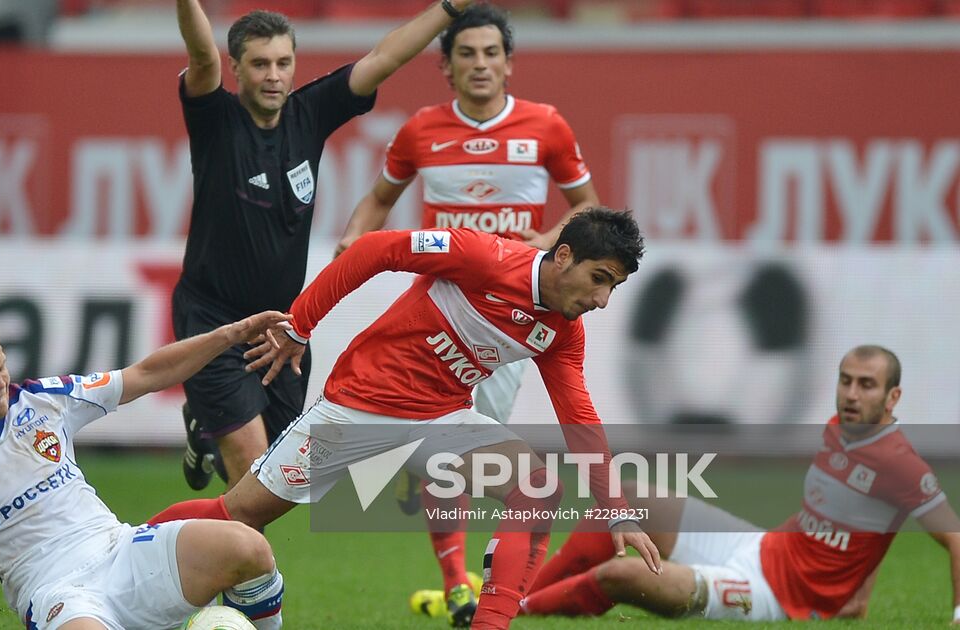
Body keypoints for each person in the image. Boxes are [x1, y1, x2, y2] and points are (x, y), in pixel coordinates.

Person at [147, 208, 663, 630]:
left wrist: (615, 508)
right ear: (564, 256)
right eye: (599, 279)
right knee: (240, 515)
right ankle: (123, 545)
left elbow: (579, 415)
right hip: (357, 409)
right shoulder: (483, 256)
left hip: (442, 420)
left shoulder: (562, 331)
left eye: (612, 288)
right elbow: (375, 249)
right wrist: (300, 325)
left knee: (536, 487)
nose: (601, 300)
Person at [332, 6, 600, 620]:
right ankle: (460, 582)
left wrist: (548, 240)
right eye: (467, 54)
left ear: (508, 63)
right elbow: (378, 201)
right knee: (447, 440)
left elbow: (589, 209)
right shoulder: (420, 130)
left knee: (456, 451)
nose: (480, 64)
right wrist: (352, 241)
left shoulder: (547, 127)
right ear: (446, 68)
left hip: (509, 318)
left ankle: (480, 576)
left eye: (491, 53)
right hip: (437, 307)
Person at [172, 0, 485, 494]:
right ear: (236, 69)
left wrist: (449, 8)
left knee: (283, 480)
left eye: (283, 62)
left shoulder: (309, 113)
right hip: (214, 322)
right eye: (259, 64)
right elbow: (202, 55)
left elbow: (385, 56)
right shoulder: (216, 120)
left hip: (281, 325)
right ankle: (244, 572)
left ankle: (204, 428)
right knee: (253, 475)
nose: (273, 75)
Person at [0, 311, 293, 630]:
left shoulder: (45, 400)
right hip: (58, 593)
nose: (0, 381)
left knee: (250, 549)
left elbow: (147, 374)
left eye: (1, 366)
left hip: (120, 550)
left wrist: (232, 334)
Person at [520, 345, 960, 623]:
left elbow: (954, 537)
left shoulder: (902, 464)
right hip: (760, 548)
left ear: (893, 397)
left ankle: (516, 613)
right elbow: (865, 518)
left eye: (866, 385)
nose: (851, 394)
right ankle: (518, 596)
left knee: (621, 574)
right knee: (628, 499)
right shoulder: (839, 428)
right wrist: (859, 594)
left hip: (774, 596)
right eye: (846, 381)